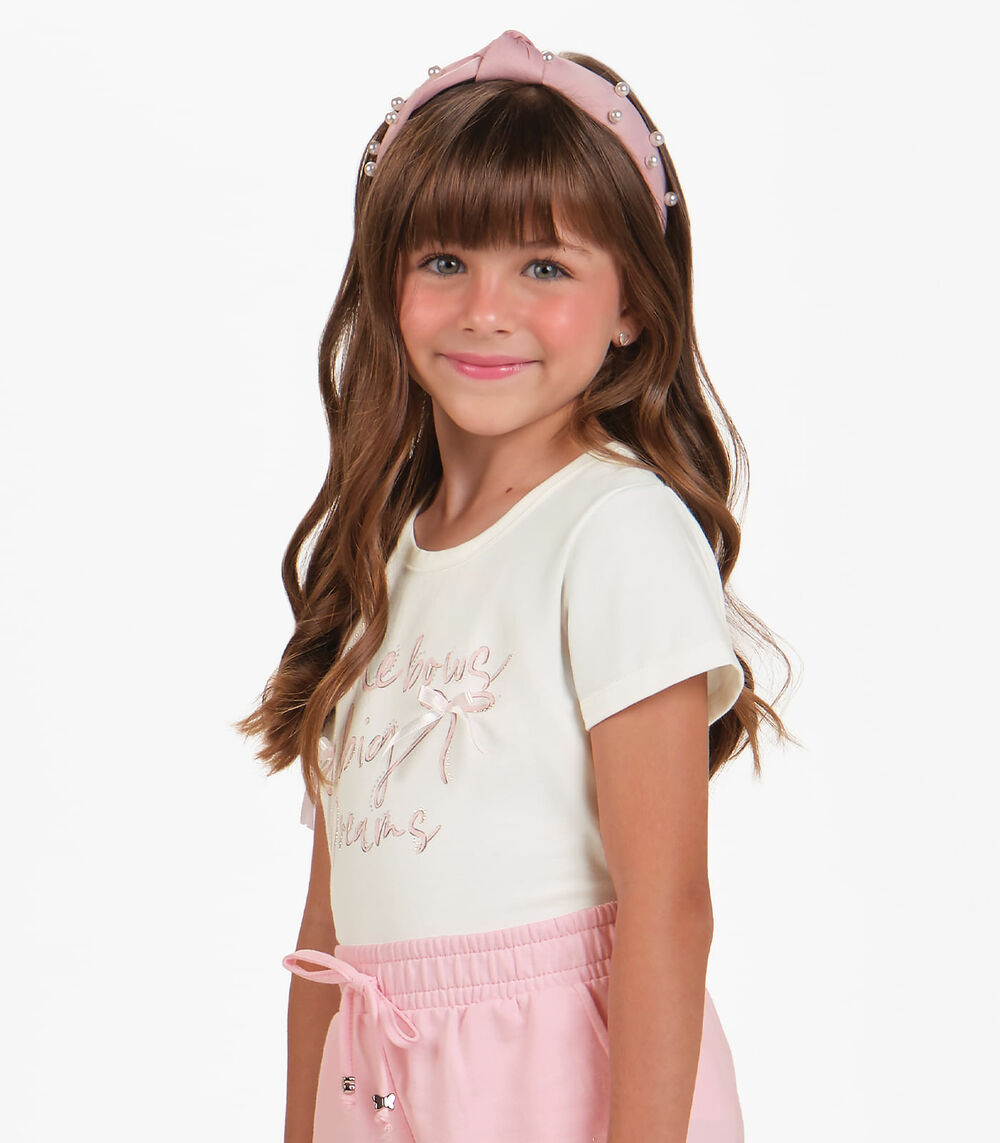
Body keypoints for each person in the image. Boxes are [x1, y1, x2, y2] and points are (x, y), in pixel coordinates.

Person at [234, 27, 798, 1143]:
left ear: (633, 305)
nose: (485, 308)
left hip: (553, 1089)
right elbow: (327, 931)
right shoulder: (377, 558)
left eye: (544, 267)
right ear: (387, 283)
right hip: (378, 1088)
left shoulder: (616, 532)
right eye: (445, 261)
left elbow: (667, 908)